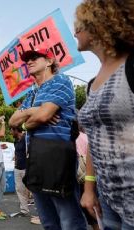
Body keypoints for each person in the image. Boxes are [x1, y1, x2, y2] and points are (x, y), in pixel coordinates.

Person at [8, 49, 86, 230]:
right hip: (35, 157)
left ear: (49, 61)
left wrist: (27, 122)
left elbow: (43, 116)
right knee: (48, 221)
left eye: (34, 58)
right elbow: (13, 121)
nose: (29, 62)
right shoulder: (32, 92)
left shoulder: (61, 81)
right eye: (27, 60)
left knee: (69, 220)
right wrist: (32, 112)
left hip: (58, 154)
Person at [74, 1, 134, 228]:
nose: (75, 32)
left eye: (79, 26)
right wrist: (89, 188)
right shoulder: (92, 85)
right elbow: (94, 140)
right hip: (108, 201)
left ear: (100, 24)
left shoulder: (131, 65)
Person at [10, 126, 30, 217]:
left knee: (32, 190)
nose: (10, 132)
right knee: (20, 189)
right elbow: (16, 152)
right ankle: (24, 210)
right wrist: (15, 158)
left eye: (11, 130)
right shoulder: (16, 141)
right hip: (17, 168)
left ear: (16, 130)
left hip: (27, 168)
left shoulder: (26, 138)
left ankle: (41, 213)